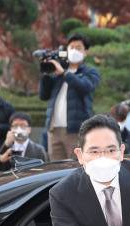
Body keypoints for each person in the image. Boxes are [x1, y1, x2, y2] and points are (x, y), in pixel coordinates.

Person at [39, 33, 101, 161]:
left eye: (78, 48)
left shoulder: (90, 72)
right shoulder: (57, 70)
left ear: (85, 52)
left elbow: (85, 87)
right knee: (56, 168)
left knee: (77, 165)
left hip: (76, 129)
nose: (74, 50)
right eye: (71, 47)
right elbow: (43, 95)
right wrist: (46, 73)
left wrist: (65, 73)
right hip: (54, 129)